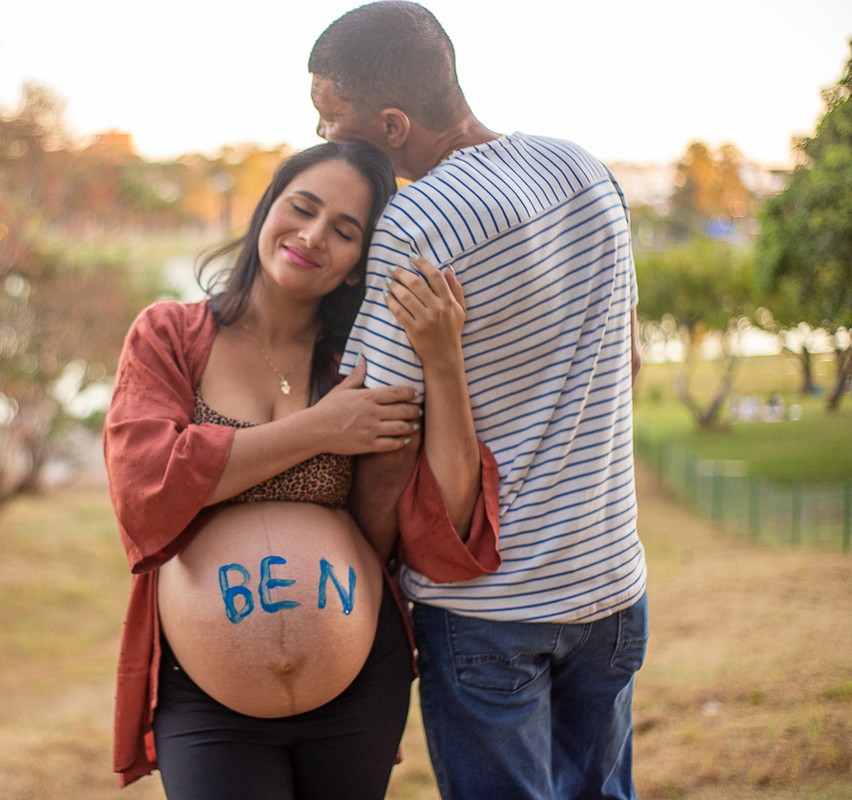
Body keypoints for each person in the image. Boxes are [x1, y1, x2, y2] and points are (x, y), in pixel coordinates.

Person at [308, 4, 648, 799]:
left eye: (334, 119)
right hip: (612, 582)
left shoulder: (418, 221)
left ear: (391, 125)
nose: (323, 136)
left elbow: (386, 426)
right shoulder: (586, 168)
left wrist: (367, 565)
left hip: (490, 607)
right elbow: (627, 360)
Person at [103, 141, 502, 798]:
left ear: (358, 265)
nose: (314, 236)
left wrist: (441, 360)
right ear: (268, 210)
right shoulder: (169, 334)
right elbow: (145, 488)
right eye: (303, 208)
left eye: (345, 231)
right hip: (206, 696)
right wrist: (318, 429)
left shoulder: (365, 363)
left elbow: (447, 517)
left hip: (356, 693)